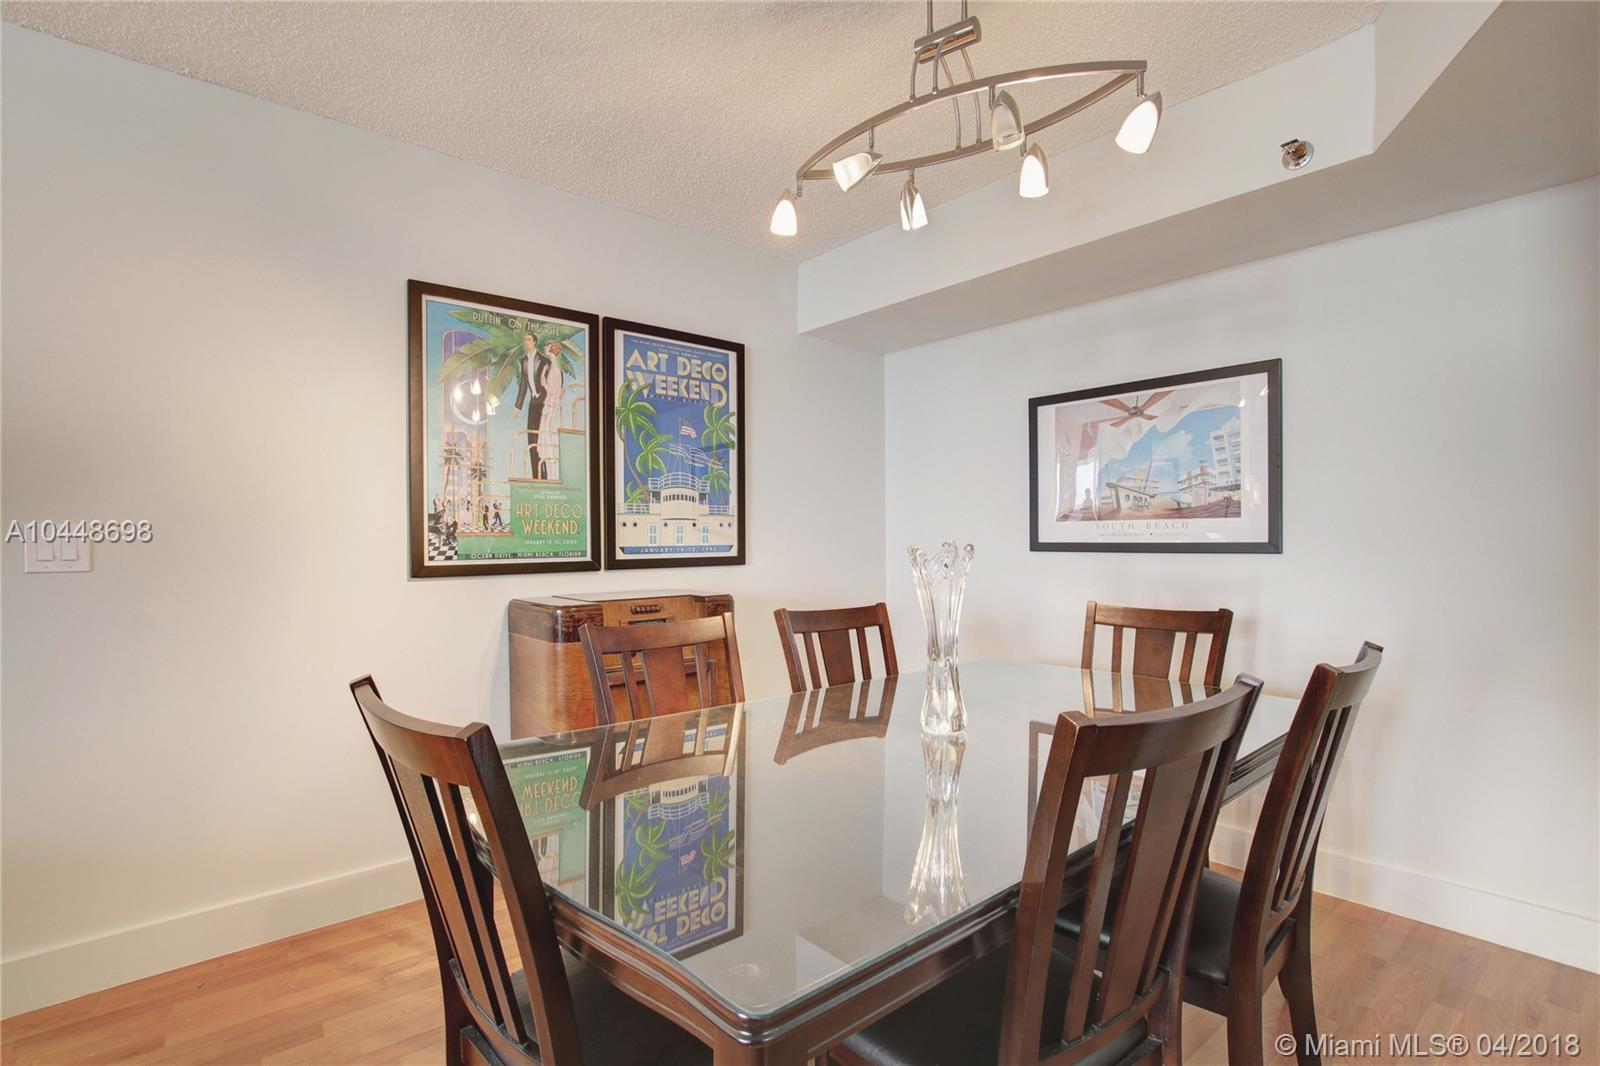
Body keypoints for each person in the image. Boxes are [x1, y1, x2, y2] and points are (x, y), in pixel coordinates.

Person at [513, 330, 549, 478]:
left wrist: (546, 397)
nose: (526, 342)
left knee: (541, 439)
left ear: (534, 341)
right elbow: (523, 385)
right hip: (533, 402)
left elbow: (550, 382)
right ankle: (536, 475)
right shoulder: (523, 360)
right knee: (531, 438)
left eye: (528, 339)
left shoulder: (544, 360)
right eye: (525, 340)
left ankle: (544, 475)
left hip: (544, 401)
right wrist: (517, 407)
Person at [535, 340, 565, 479]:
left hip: (553, 401)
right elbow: (542, 380)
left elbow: (558, 385)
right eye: (553, 347)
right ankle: (547, 454)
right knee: (545, 426)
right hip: (548, 400)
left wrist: (555, 395)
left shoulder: (555, 365)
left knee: (548, 426)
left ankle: (550, 455)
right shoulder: (547, 363)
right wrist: (549, 393)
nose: (555, 350)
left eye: (557, 348)